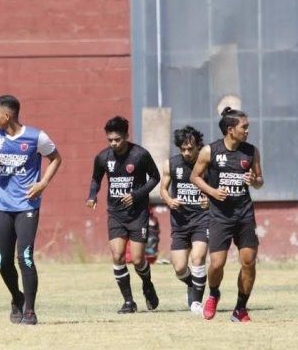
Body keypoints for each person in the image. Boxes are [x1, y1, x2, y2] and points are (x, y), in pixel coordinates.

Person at [0, 94, 62, 325]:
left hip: (27, 204)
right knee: (3, 261)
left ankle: (30, 310)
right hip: (3, 206)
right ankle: (16, 297)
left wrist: (42, 183)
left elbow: (56, 158)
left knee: (24, 257)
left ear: (7, 116)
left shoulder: (36, 136)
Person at [190, 107, 263, 322]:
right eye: (244, 127)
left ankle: (240, 308)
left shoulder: (251, 151)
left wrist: (254, 181)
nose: (247, 131)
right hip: (219, 216)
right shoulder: (209, 151)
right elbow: (195, 177)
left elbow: (260, 181)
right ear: (231, 129)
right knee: (216, 264)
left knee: (249, 262)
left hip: (244, 215)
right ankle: (213, 294)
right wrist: (212, 191)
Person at [86, 116, 161, 314]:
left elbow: (155, 177)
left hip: (137, 214)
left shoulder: (140, 155)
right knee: (118, 255)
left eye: (117, 139)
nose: (114, 144)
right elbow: (96, 179)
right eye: (110, 140)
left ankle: (147, 284)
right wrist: (92, 196)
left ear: (126, 136)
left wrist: (136, 195)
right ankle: (129, 302)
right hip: (116, 214)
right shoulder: (103, 157)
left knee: (137, 260)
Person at [159, 126, 209, 315]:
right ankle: (192, 285)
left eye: (190, 148)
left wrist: (209, 200)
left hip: (202, 219)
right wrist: (170, 200)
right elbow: (163, 189)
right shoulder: (170, 164)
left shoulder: (207, 163)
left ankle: (196, 303)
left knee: (197, 258)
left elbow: (219, 188)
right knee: (179, 268)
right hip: (179, 222)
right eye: (183, 149)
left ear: (198, 146)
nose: (187, 152)